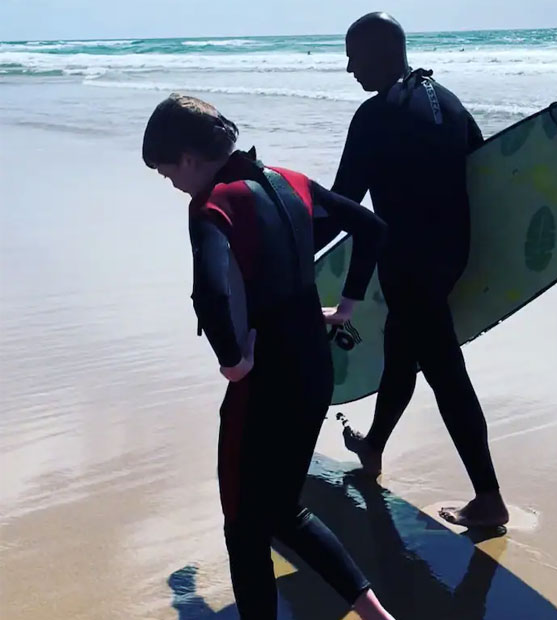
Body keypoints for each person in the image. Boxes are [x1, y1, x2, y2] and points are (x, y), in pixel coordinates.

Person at [142, 94, 394, 620]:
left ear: (188, 158)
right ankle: (377, 616)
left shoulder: (213, 203)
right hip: (314, 371)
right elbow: (371, 228)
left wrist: (232, 361)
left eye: (167, 172)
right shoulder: (288, 181)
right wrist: (345, 307)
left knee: (243, 525)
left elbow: (210, 291)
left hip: (264, 387)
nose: (170, 184)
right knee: (282, 511)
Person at [332, 12, 509, 529]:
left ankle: (489, 498)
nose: (349, 68)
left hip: (409, 264)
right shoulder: (449, 104)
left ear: (382, 52)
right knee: (400, 351)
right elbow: (485, 173)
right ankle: (373, 446)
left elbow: (344, 204)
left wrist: (285, 233)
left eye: (354, 56)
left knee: (445, 374)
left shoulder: (374, 116)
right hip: (450, 256)